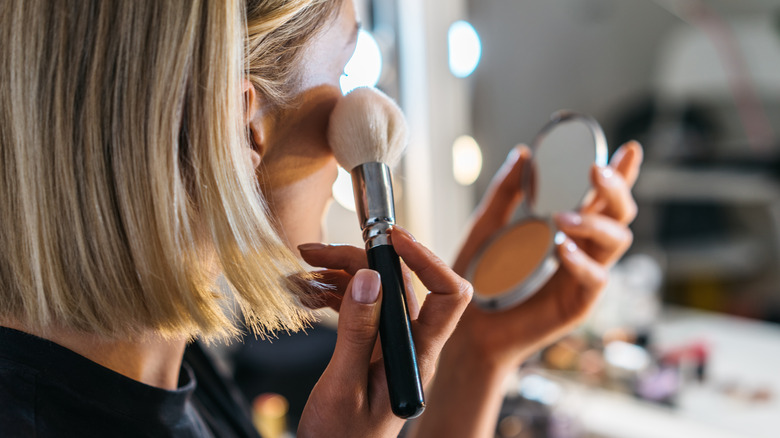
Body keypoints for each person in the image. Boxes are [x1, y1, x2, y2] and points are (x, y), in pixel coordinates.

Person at [0, 1, 641, 438]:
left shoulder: (161, 362)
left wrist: (478, 351)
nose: (359, 110)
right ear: (238, 122)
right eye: (340, 70)